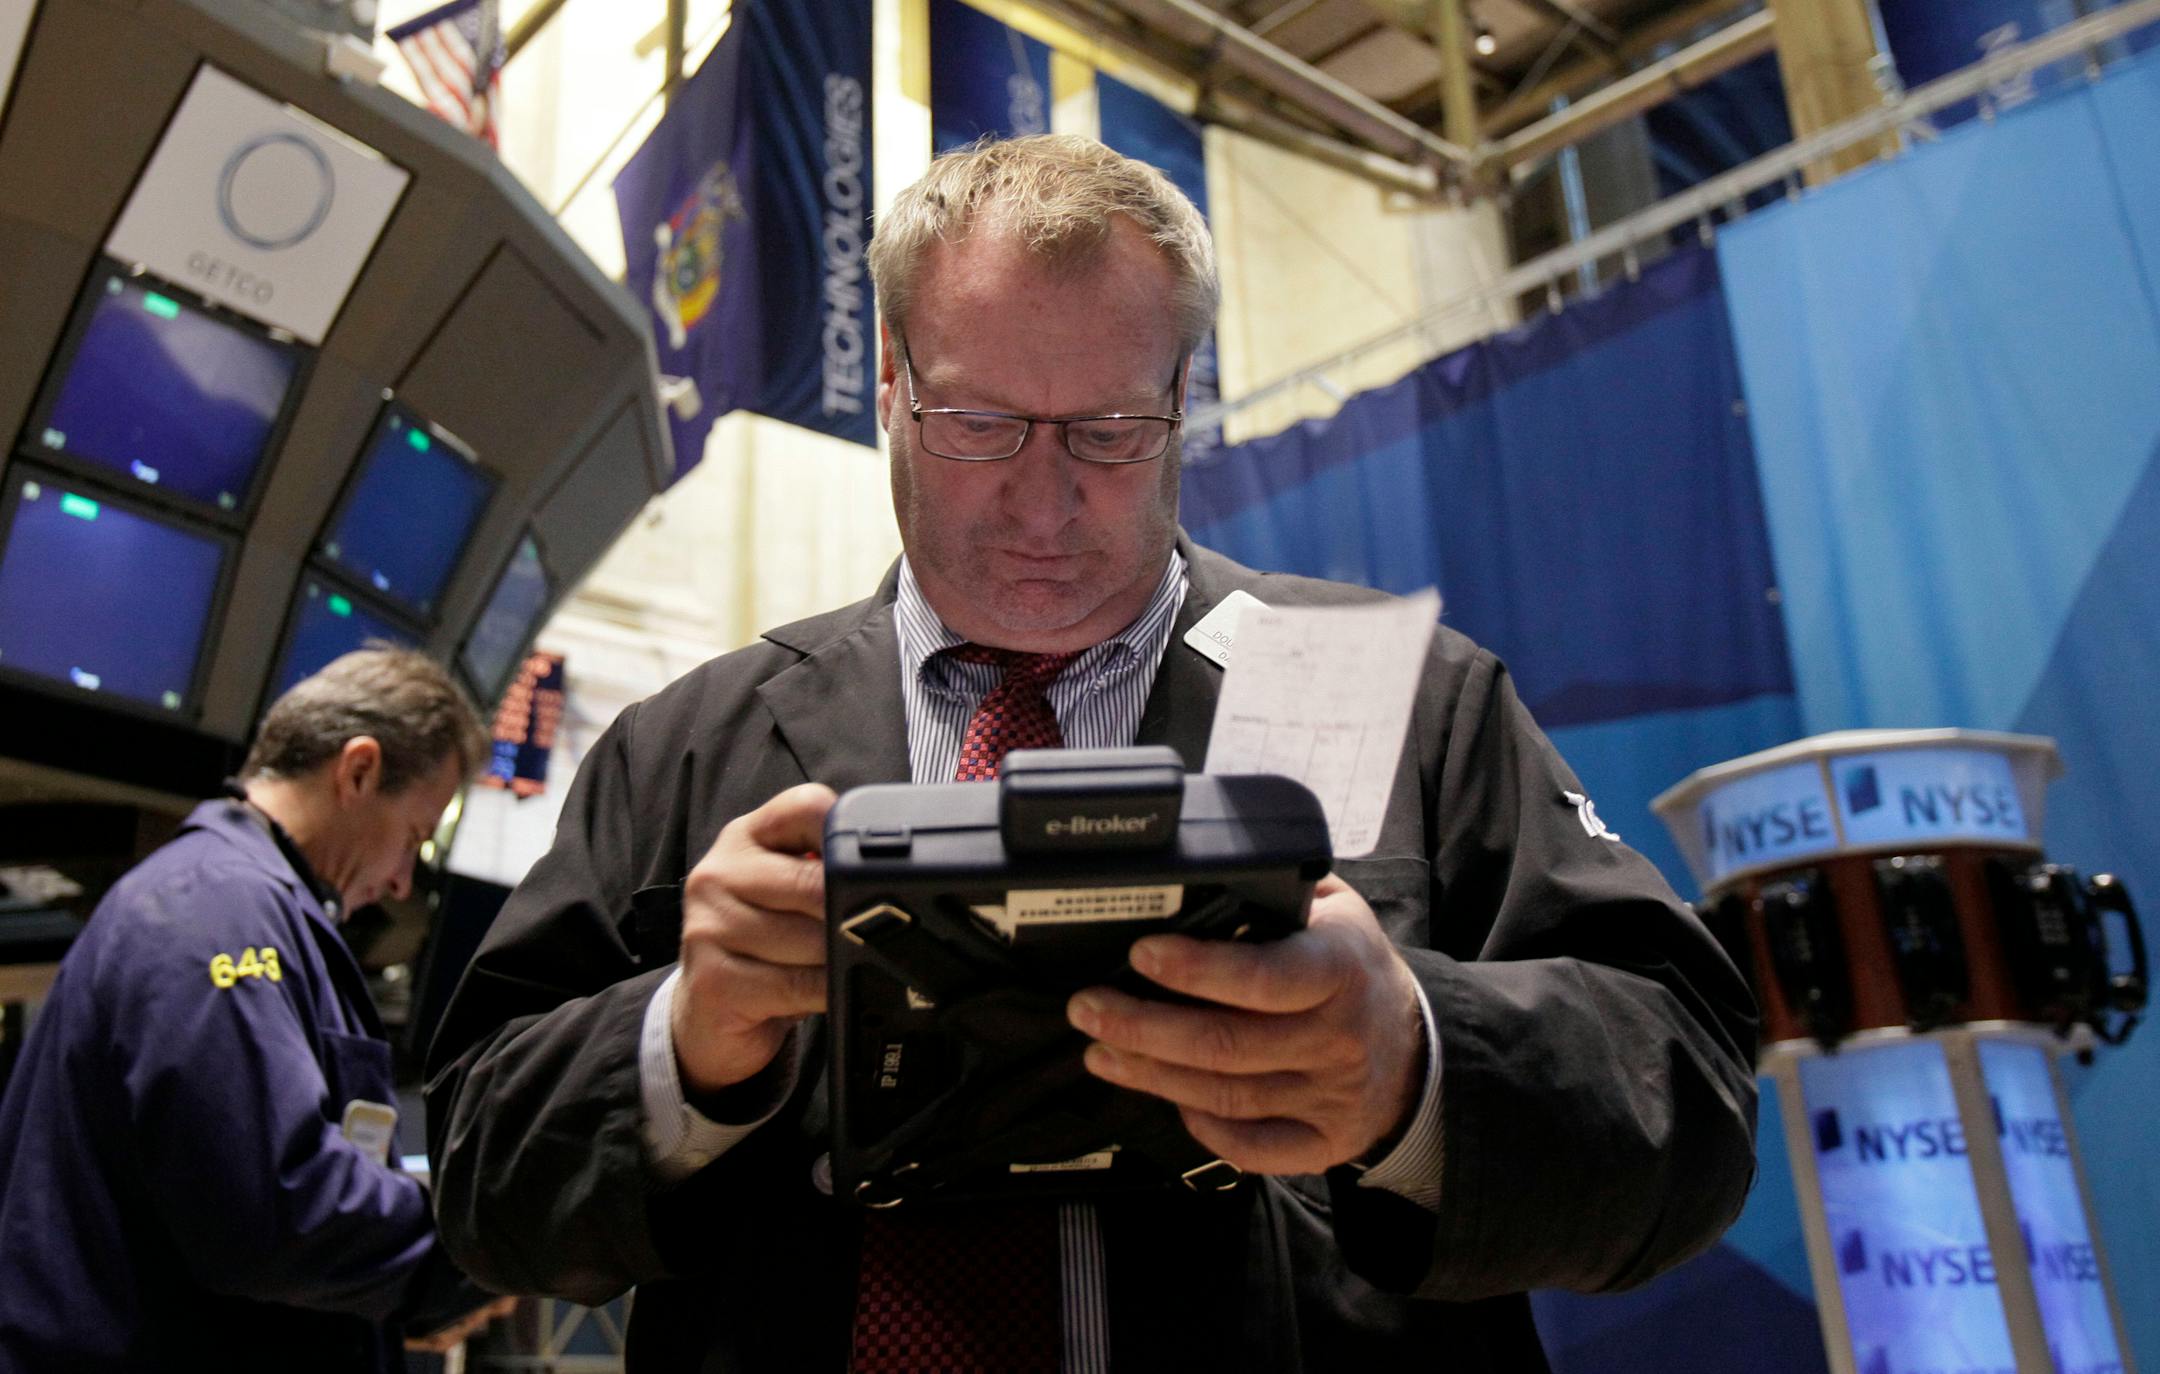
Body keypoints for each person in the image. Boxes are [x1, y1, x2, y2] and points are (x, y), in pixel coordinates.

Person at [425, 135, 1758, 1372]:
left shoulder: (1399, 691)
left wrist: (1415, 1058)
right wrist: (681, 1038)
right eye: (979, 425)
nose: (1045, 499)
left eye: (1111, 433)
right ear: (889, 382)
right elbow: (483, 1174)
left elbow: (1690, 1106)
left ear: (1183, 394)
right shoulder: (690, 749)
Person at [0, 648, 514, 1371]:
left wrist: (387, 1300)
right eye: (413, 839)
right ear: (359, 770)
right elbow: (276, 1204)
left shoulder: (252, 908)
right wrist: (467, 1257)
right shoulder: (217, 907)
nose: (403, 881)